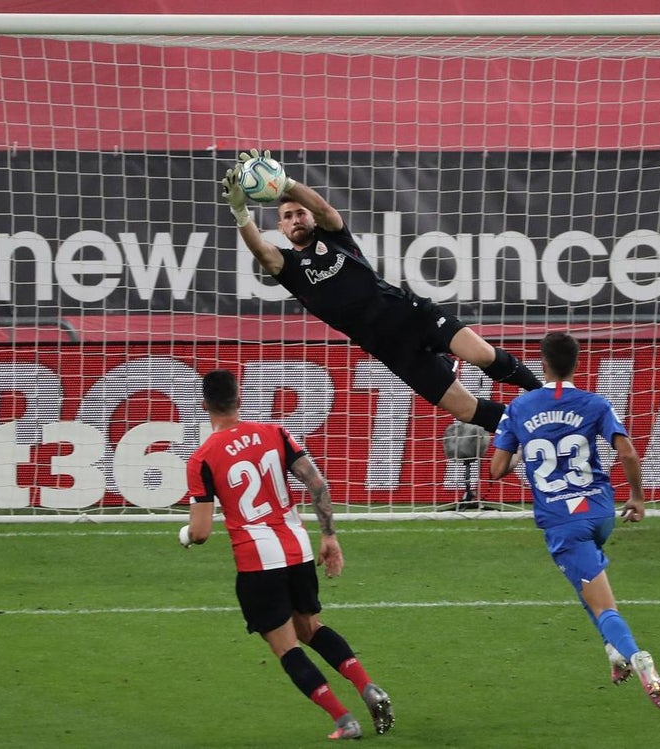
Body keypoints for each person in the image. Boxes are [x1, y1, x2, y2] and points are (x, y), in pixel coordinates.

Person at [220, 149, 542, 435]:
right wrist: (240, 213)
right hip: (392, 350)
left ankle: (543, 394)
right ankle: (522, 428)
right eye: (287, 217)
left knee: (483, 355)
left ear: (309, 216)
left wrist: (285, 183)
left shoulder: (333, 236)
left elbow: (324, 208)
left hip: (415, 316)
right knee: (464, 409)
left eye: (300, 212)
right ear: (281, 228)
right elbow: (263, 252)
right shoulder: (288, 267)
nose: (296, 219)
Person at [180, 368, 396, 740]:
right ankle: (367, 687)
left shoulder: (202, 458)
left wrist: (185, 535)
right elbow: (317, 483)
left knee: (286, 646)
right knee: (310, 628)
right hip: (297, 551)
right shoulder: (274, 433)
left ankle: (344, 720)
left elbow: (201, 532)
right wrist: (329, 537)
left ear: (204, 405)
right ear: (240, 399)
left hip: (256, 562)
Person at [487, 331, 660, 710]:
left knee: (605, 607)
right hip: (601, 513)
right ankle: (613, 653)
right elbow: (629, 453)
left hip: (562, 522)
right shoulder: (594, 403)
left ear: (542, 363)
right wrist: (637, 498)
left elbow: (497, 470)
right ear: (577, 363)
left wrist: (525, 444)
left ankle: (641, 661)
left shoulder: (520, 408)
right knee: (586, 581)